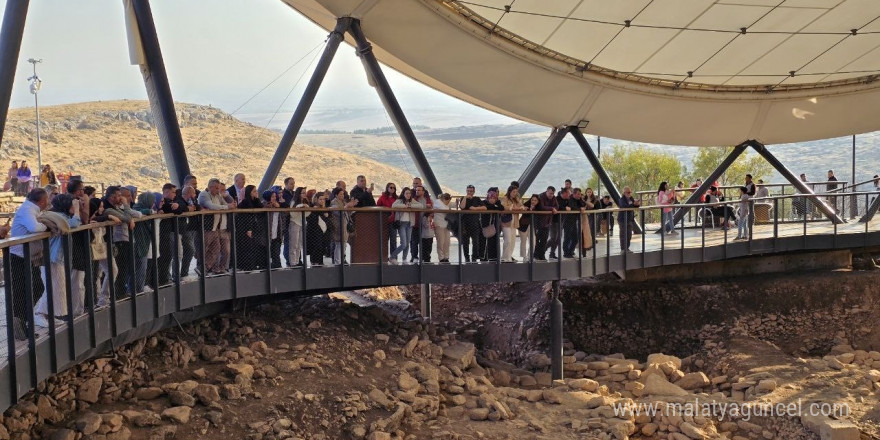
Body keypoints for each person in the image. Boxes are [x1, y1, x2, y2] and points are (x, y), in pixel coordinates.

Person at [9, 188, 50, 339]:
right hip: (19, 257)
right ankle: (20, 325)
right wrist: (46, 226)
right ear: (42, 201)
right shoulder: (28, 210)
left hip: (28, 257)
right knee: (23, 291)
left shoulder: (32, 209)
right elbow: (34, 228)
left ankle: (22, 322)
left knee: (34, 287)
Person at [199, 178, 234, 275]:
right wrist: (226, 207)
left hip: (215, 228)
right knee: (204, 248)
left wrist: (227, 205)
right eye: (217, 188)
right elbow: (211, 206)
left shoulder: (218, 195)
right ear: (211, 187)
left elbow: (227, 204)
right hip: (206, 228)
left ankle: (205, 267)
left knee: (216, 249)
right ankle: (202, 267)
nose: (219, 190)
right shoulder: (204, 194)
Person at [235, 185, 265, 271]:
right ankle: (246, 265)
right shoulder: (245, 202)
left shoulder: (255, 201)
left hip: (253, 227)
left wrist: (258, 199)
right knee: (247, 247)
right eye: (254, 191)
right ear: (250, 193)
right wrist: (248, 229)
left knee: (253, 246)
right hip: (245, 227)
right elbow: (245, 216)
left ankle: (253, 264)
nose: (256, 193)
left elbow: (261, 208)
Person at [390, 188, 423, 264]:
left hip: (410, 223)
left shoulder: (412, 201)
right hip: (401, 223)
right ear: (403, 194)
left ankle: (404, 259)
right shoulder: (400, 200)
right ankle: (392, 257)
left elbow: (420, 206)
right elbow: (394, 205)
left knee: (407, 243)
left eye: (409, 193)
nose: (408, 195)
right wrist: (404, 206)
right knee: (404, 243)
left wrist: (411, 205)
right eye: (406, 193)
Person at [329, 186, 358, 265]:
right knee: (339, 244)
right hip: (338, 225)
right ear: (336, 195)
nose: (342, 196)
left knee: (344, 244)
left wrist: (351, 206)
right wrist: (347, 206)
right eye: (340, 194)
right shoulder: (334, 202)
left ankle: (341, 260)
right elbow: (338, 212)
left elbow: (348, 212)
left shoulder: (343, 202)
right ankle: (337, 261)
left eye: (343, 194)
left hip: (345, 224)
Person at [458, 184, 485, 263]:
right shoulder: (463, 198)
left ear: (474, 191)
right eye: (468, 191)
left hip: (475, 223)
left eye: (471, 191)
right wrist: (465, 198)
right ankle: (466, 257)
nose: (469, 192)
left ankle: (474, 257)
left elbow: (484, 207)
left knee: (476, 242)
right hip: (465, 224)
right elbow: (462, 207)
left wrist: (476, 208)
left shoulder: (477, 199)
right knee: (465, 242)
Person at [178, 185, 201, 277]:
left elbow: (198, 207)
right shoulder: (180, 200)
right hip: (184, 229)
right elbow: (180, 208)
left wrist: (194, 203)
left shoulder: (192, 201)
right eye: (193, 193)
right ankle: (183, 273)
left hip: (192, 228)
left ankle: (184, 272)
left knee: (189, 250)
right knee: (190, 250)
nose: (195, 195)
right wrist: (188, 209)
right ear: (189, 193)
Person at [306, 192, 331, 267]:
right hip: (314, 230)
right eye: (320, 199)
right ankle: (314, 261)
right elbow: (310, 219)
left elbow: (328, 217)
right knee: (316, 246)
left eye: (323, 199)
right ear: (316, 199)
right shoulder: (312, 207)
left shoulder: (325, 208)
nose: (322, 201)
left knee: (322, 246)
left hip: (323, 230)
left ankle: (320, 261)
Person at [500, 186, 525, 262]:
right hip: (506, 223)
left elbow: (522, 207)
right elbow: (505, 207)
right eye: (513, 192)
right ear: (509, 191)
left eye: (516, 192)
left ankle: (509, 256)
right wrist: (514, 208)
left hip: (514, 223)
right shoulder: (505, 198)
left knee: (513, 241)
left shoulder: (516, 200)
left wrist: (516, 208)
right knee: (508, 241)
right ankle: (505, 257)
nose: (515, 193)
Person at [534, 186, 558, 260]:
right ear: (546, 191)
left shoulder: (553, 198)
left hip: (547, 222)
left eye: (553, 193)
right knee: (537, 240)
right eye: (550, 193)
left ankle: (542, 255)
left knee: (544, 240)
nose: (551, 195)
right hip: (538, 222)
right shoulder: (541, 196)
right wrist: (552, 208)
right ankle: (535, 254)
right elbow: (542, 207)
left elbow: (557, 206)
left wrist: (553, 208)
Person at [409, 185, 432, 263]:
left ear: (423, 191)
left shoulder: (427, 200)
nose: (417, 191)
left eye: (419, 190)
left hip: (424, 224)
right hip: (415, 224)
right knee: (414, 241)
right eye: (416, 190)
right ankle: (414, 257)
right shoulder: (413, 200)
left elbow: (431, 210)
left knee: (425, 242)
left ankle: (424, 258)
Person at [377, 183, 399, 259]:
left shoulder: (396, 198)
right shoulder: (382, 197)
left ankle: (393, 257)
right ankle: (383, 257)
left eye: (394, 188)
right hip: (384, 221)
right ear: (387, 188)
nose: (392, 189)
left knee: (393, 240)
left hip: (393, 221)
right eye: (391, 187)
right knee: (384, 240)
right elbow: (378, 206)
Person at [263, 190, 284, 268]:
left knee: (276, 252)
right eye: (272, 196)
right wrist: (271, 206)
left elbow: (281, 218)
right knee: (266, 253)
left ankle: (277, 266)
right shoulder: (264, 205)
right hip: (267, 233)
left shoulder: (278, 206)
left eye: (275, 196)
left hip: (276, 233)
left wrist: (278, 207)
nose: (274, 198)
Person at [480, 189, 504, 261]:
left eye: (494, 198)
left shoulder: (498, 202)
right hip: (484, 225)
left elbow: (501, 208)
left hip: (494, 226)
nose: (492, 199)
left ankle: (493, 258)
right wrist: (494, 206)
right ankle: (483, 257)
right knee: (484, 242)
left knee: (493, 241)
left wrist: (494, 206)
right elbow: (487, 208)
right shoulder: (483, 202)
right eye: (491, 197)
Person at [287, 187, 306, 267]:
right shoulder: (293, 202)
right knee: (294, 244)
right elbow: (292, 214)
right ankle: (292, 262)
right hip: (295, 223)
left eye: (305, 193)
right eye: (303, 193)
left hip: (302, 223)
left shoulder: (305, 202)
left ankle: (297, 261)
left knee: (299, 244)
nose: (305, 194)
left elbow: (307, 213)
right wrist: (299, 207)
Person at [558, 188, 579, 258]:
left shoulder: (577, 200)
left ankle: (570, 251)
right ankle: (566, 253)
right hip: (567, 221)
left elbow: (582, 205)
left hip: (574, 221)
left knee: (575, 238)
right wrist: (579, 209)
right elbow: (571, 207)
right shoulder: (569, 200)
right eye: (569, 193)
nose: (570, 194)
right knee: (567, 237)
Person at [618, 187, 640, 252]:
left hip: (630, 219)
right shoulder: (622, 199)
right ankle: (623, 249)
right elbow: (624, 206)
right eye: (628, 192)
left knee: (629, 235)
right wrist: (633, 205)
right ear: (624, 193)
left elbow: (634, 206)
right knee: (623, 234)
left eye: (630, 192)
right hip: (622, 220)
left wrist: (636, 204)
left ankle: (627, 248)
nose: (629, 194)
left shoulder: (631, 198)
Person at [433, 193, 453, 263]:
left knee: (447, 242)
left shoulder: (447, 204)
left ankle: (446, 257)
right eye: (446, 199)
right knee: (440, 242)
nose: (447, 201)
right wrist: (449, 208)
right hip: (439, 225)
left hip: (446, 225)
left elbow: (453, 205)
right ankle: (441, 258)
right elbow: (444, 209)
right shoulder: (437, 202)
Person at [519, 194, 540, 260]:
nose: (533, 201)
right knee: (523, 241)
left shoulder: (539, 208)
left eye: (535, 200)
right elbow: (523, 214)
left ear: (538, 201)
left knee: (533, 242)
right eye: (532, 200)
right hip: (523, 225)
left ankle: (530, 256)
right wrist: (530, 209)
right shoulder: (526, 205)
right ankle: (524, 256)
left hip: (533, 226)